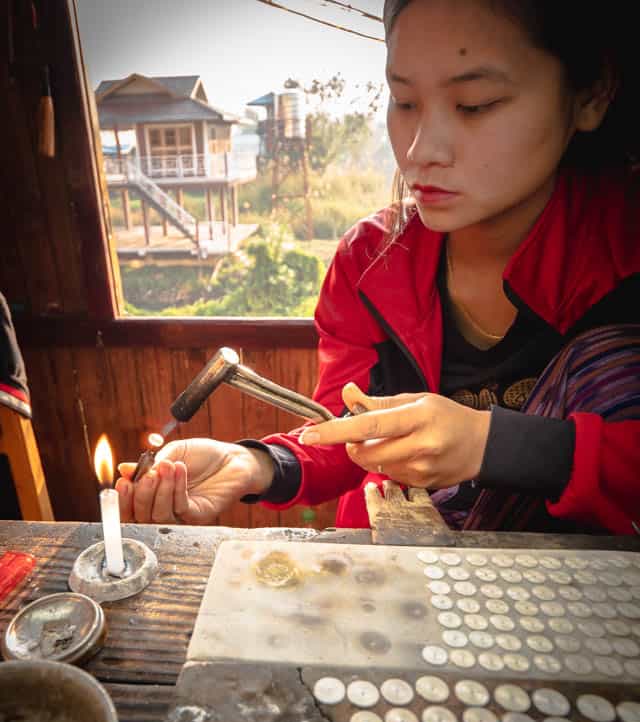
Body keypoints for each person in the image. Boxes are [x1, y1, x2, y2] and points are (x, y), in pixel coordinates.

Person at [117, 0, 640, 535]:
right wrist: (254, 464)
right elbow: (348, 431)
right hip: (400, 566)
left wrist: (495, 446)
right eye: (404, 101)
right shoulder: (369, 263)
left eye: (475, 104)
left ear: (591, 94)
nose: (419, 150)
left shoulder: (626, 255)